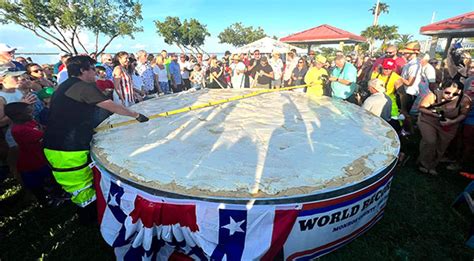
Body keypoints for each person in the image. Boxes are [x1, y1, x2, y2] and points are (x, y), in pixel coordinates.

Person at [43, 56, 149, 222]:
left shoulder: (65, 85)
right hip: (67, 148)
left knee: (79, 185)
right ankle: (90, 220)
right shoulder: (83, 87)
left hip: (56, 144)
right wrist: (136, 115)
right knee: (81, 189)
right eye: (92, 69)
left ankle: (89, 213)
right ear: (82, 71)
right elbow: (110, 105)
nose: (95, 72)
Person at [5, 102, 54, 205]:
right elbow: (45, 135)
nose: (32, 113)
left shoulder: (28, 121)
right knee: (36, 185)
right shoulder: (19, 129)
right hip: (31, 163)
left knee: (48, 178)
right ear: (18, 115)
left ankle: (51, 193)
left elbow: (41, 129)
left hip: (40, 157)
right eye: (28, 112)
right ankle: (44, 201)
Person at [417, 81, 471, 175]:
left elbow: (463, 114)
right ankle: (424, 164)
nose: (450, 95)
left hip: (449, 125)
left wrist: (452, 122)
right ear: (443, 89)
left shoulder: (464, 100)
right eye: (447, 92)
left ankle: (433, 165)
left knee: (441, 146)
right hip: (429, 121)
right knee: (430, 141)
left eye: (455, 94)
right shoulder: (433, 95)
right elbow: (421, 108)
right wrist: (432, 113)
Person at [0, 67, 37, 182]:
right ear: (2, 80)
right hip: (14, 134)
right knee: (19, 161)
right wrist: (20, 106)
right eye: (14, 77)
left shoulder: (19, 91)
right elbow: (1, 122)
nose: (19, 79)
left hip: (29, 129)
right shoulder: (1, 98)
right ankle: (22, 182)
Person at [399, 42, 422, 134]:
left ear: (414, 53)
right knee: (403, 112)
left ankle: (409, 131)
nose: (404, 54)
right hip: (406, 92)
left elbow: (409, 82)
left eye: (406, 52)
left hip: (409, 92)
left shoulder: (414, 65)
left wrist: (397, 77)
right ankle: (407, 130)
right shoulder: (410, 64)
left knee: (405, 113)